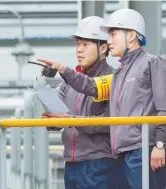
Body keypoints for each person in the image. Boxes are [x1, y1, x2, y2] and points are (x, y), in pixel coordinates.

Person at [39, 8, 166, 189]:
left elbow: (164, 106)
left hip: (139, 150)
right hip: (123, 153)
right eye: (78, 44)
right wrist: (64, 70)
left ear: (131, 36)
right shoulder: (119, 74)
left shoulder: (152, 63)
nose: (109, 39)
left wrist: (160, 145)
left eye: (113, 34)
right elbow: (91, 86)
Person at [41, 16, 127, 189]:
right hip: (72, 164)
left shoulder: (113, 79)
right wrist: (53, 121)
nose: (79, 50)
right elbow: (64, 117)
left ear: (103, 47)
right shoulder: (69, 82)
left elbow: (109, 123)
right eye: (78, 44)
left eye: (85, 45)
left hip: (100, 164)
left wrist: (71, 120)